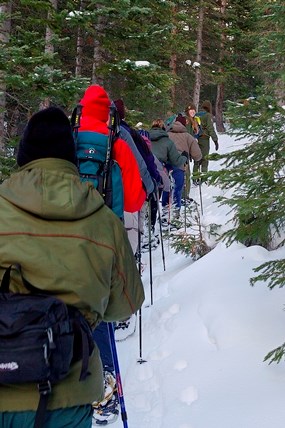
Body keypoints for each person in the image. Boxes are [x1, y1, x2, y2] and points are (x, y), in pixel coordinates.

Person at [0, 107, 145, 428]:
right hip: (68, 389)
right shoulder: (102, 219)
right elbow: (126, 305)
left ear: (23, 155)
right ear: (71, 156)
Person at [148, 119, 188, 225]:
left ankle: (146, 227)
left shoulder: (144, 138)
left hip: (144, 172)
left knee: (146, 200)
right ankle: (155, 224)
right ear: (163, 128)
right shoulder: (167, 141)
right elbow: (176, 161)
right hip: (159, 173)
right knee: (157, 198)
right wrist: (184, 157)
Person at [168, 114, 202, 215]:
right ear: (184, 124)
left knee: (169, 186)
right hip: (182, 164)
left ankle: (167, 211)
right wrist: (198, 158)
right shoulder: (188, 136)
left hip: (168, 164)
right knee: (181, 184)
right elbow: (197, 154)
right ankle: (178, 207)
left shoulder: (167, 134)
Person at [186, 100, 219, 184]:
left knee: (197, 158)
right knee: (205, 159)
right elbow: (210, 128)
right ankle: (204, 179)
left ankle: (195, 178)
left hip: (196, 138)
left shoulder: (197, 115)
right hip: (204, 139)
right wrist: (215, 140)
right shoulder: (207, 115)